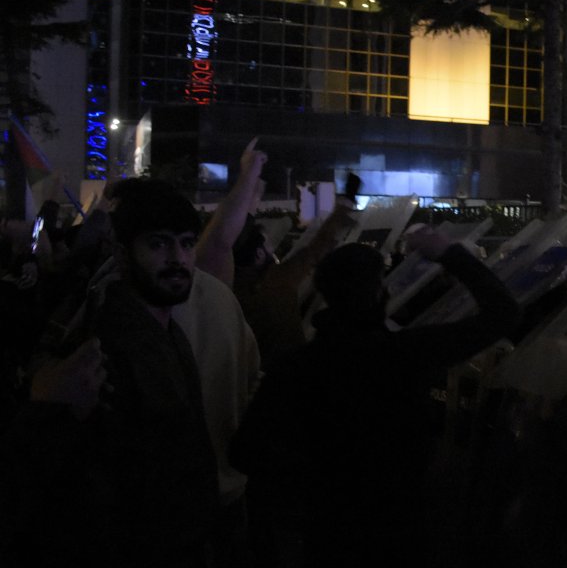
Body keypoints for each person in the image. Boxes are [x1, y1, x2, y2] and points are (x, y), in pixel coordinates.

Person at [230, 227, 519, 567]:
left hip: (326, 536)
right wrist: (449, 254)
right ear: (379, 292)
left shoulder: (296, 368)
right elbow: (503, 313)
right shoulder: (406, 354)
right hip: (399, 531)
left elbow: (246, 452)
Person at [1, 178, 220, 567]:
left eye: (186, 243)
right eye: (158, 243)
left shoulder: (169, 333)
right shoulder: (101, 348)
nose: (178, 258)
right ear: (121, 255)